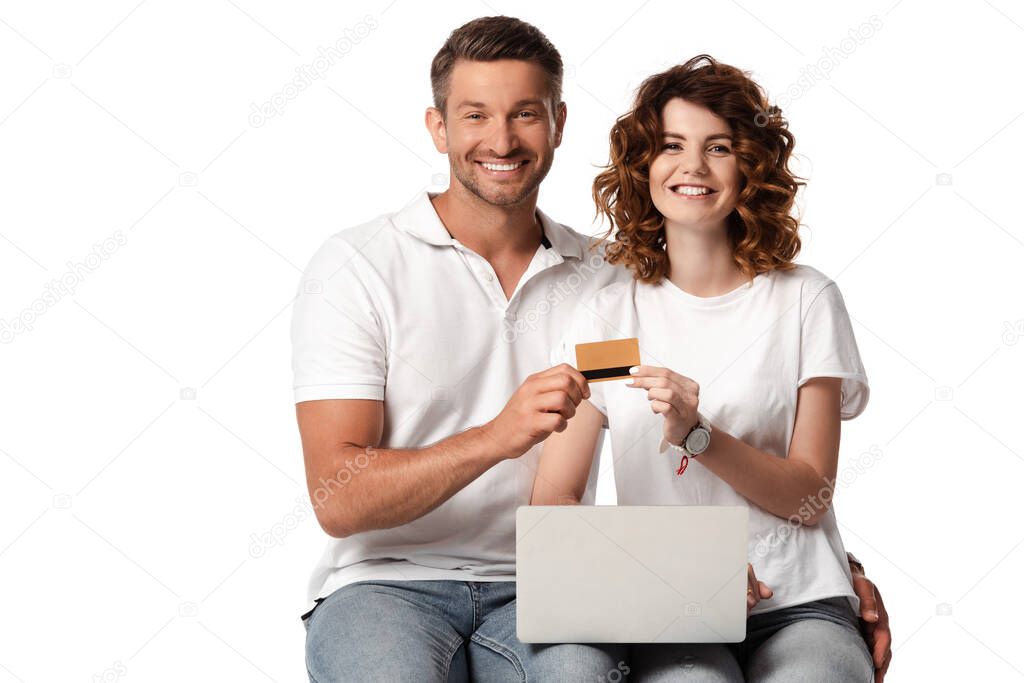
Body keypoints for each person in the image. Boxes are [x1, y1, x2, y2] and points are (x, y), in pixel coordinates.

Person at [292, 16, 891, 682]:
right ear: (438, 127)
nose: (501, 139)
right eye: (475, 115)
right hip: (392, 582)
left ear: (558, 123)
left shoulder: (603, 278)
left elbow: (794, 469)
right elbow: (338, 500)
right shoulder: (362, 266)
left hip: (557, 584)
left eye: (525, 113)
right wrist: (498, 435)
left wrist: (834, 569)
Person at [532, 55, 882, 681]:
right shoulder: (610, 316)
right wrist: (674, 572)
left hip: (799, 602)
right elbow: (555, 496)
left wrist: (699, 433)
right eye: (671, 146)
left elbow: (809, 496)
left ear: (749, 167)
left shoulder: (805, 301)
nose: (692, 166)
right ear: (644, 166)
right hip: (670, 608)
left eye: (717, 146)